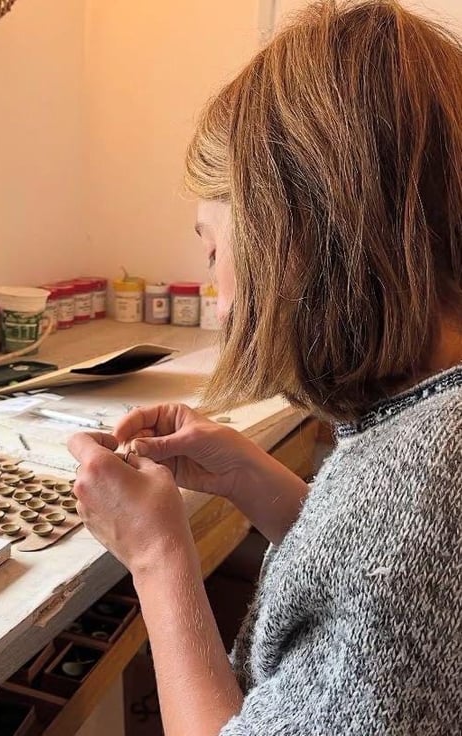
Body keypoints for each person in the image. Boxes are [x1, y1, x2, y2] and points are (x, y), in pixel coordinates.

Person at [67, 2, 462, 734]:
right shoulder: (431, 431)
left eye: (215, 250)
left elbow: (390, 566)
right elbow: (386, 575)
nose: (219, 300)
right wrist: (257, 481)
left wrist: (157, 556)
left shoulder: (422, 483)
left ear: (288, 242)